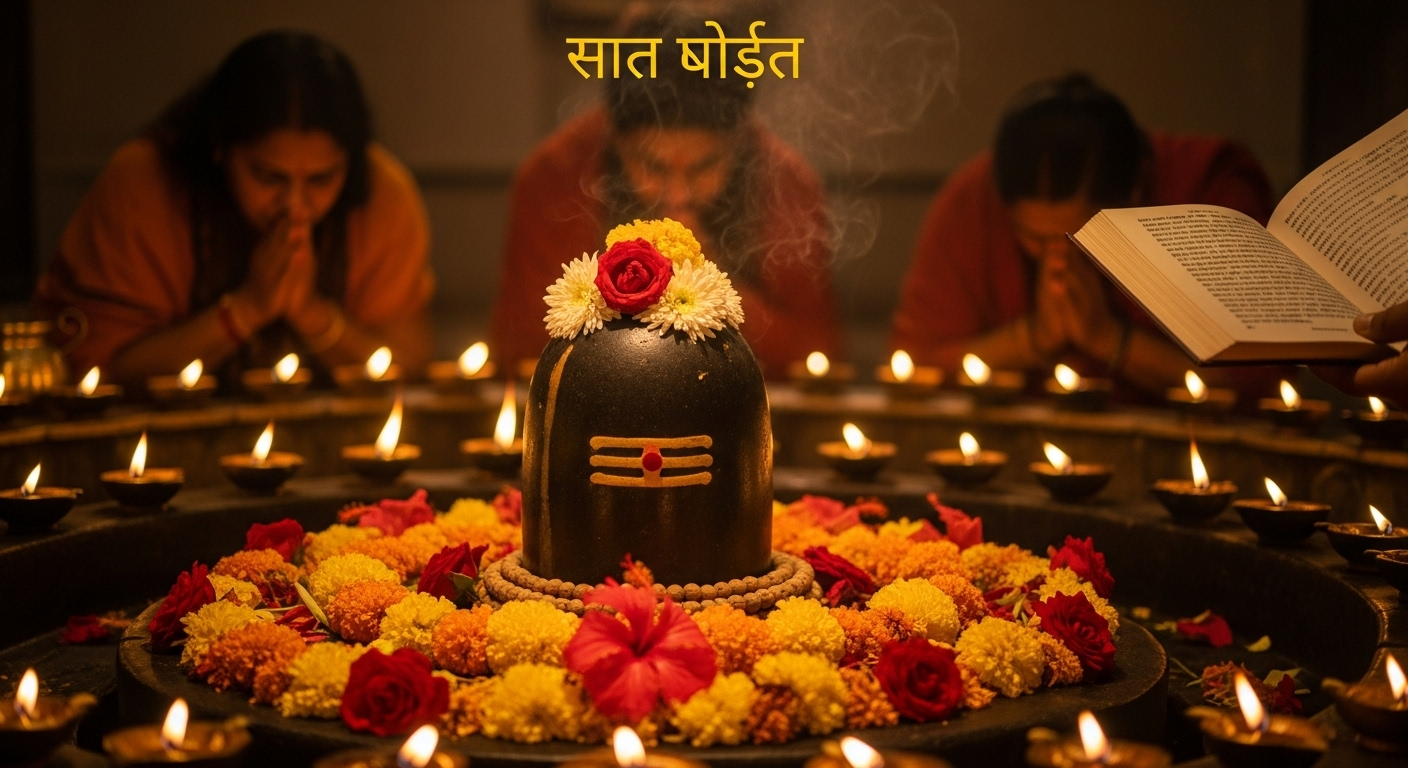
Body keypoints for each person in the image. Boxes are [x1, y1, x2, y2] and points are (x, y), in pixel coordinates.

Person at [34, 31, 433, 388]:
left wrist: (312, 314)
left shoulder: (382, 192)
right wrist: (247, 309)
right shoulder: (144, 184)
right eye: (268, 176)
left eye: (321, 179)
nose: (295, 205)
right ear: (220, 147)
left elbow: (407, 365)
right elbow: (95, 371)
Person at [489, 8, 840, 378]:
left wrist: (717, 287)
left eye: (703, 167)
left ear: (738, 141)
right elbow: (521, 348)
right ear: (616, 140)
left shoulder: (785, 181)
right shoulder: (554, 177)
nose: (677, 196)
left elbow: (817, 354)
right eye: (654, 167)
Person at [890, 74, 1278, 399]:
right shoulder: (973, 200)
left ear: (1134, 193)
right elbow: (916, 366)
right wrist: (1034, 338)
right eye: (1036, 240)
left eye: (1082, 238)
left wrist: (1108, 339)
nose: (1059, 259)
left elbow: (1259, 379)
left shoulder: (1208, 194)